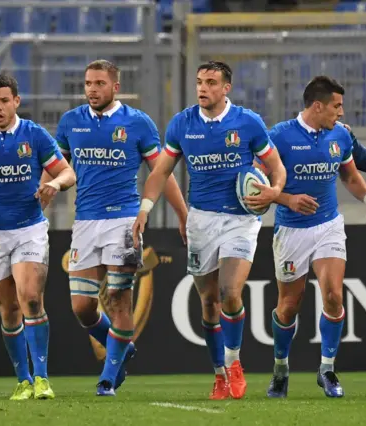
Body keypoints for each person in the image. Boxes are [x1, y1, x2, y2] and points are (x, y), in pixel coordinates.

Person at [133, 61, 287, 400]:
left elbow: (277, 167)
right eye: (200, 82)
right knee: (207, 301)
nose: (203, 88)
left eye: (211, 82)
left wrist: (275, 191)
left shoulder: (247, 123)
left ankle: (234, 364)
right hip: (201, 219)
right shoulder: (182, 124)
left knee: (230, 292)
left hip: (241, 220)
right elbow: (160, 172)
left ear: (226, 88)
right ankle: (219, 373)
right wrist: (145, 209)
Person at [53, 59, 188, 397]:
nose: (92, 89)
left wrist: (182, 215)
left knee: (117, 298)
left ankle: (108, 378)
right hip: (85, 221)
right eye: (87, 83)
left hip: (123, 221)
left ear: (115, 87)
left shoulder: (138, 123)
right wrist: (44, 192)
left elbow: (160, 173)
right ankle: (121, 347)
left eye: (99, 83)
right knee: (82, 308)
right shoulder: (71, 122)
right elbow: (56, 167)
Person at [0, 74, 75, 401]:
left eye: (4, 100)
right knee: (8, 310)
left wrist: (55, 185)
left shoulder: (34, 135)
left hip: (29, 229)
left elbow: (67, 171)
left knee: (31, 297)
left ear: (16, 102)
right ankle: (22, 379)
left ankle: (43, 378)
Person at [263, 76, 366, 399]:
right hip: (291, 229)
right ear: (317, 106)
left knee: (334, 296)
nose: (341, 113)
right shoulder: (280, 137)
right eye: (336, 106)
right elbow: (257, 184)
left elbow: (351, 177)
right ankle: (281, 370)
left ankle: (327, 369)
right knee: (288, 306)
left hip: (328, 225)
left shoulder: (339, 136)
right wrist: (287, 199)